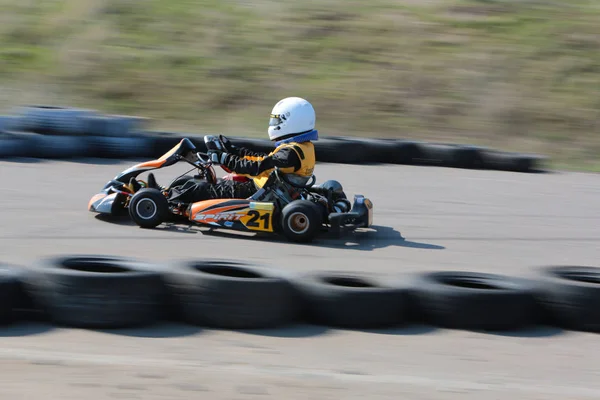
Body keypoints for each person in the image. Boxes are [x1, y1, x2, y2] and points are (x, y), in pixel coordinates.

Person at [163, 96, 319, 204]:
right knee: (203, 182)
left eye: (276, 120)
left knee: (201, 189)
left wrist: (224, 159)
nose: (273, 123)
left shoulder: (291, 153)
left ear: (291, 121)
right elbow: (262, 159)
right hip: (268, 187)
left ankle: (163, 199)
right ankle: (172, 192)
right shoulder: (301, 147)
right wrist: (233, 150)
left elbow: (257, 167)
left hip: (260, 192)